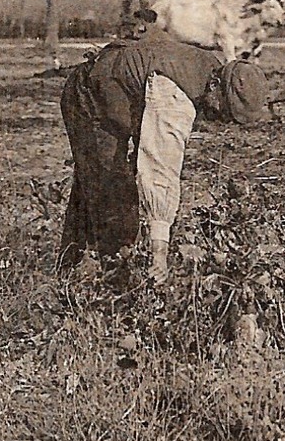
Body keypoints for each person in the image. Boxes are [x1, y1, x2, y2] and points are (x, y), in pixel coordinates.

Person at [59, 36, 271, 282]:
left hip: (119, 93)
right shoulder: (174, 98)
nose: (221, 118)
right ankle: (117, 289)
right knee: (113, 193)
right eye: (224, 110)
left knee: (93, 185)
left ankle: (69, 272)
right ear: (216, 86)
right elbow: (160, 170)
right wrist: (159, 252)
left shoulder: (210, 70)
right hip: (89, 98)